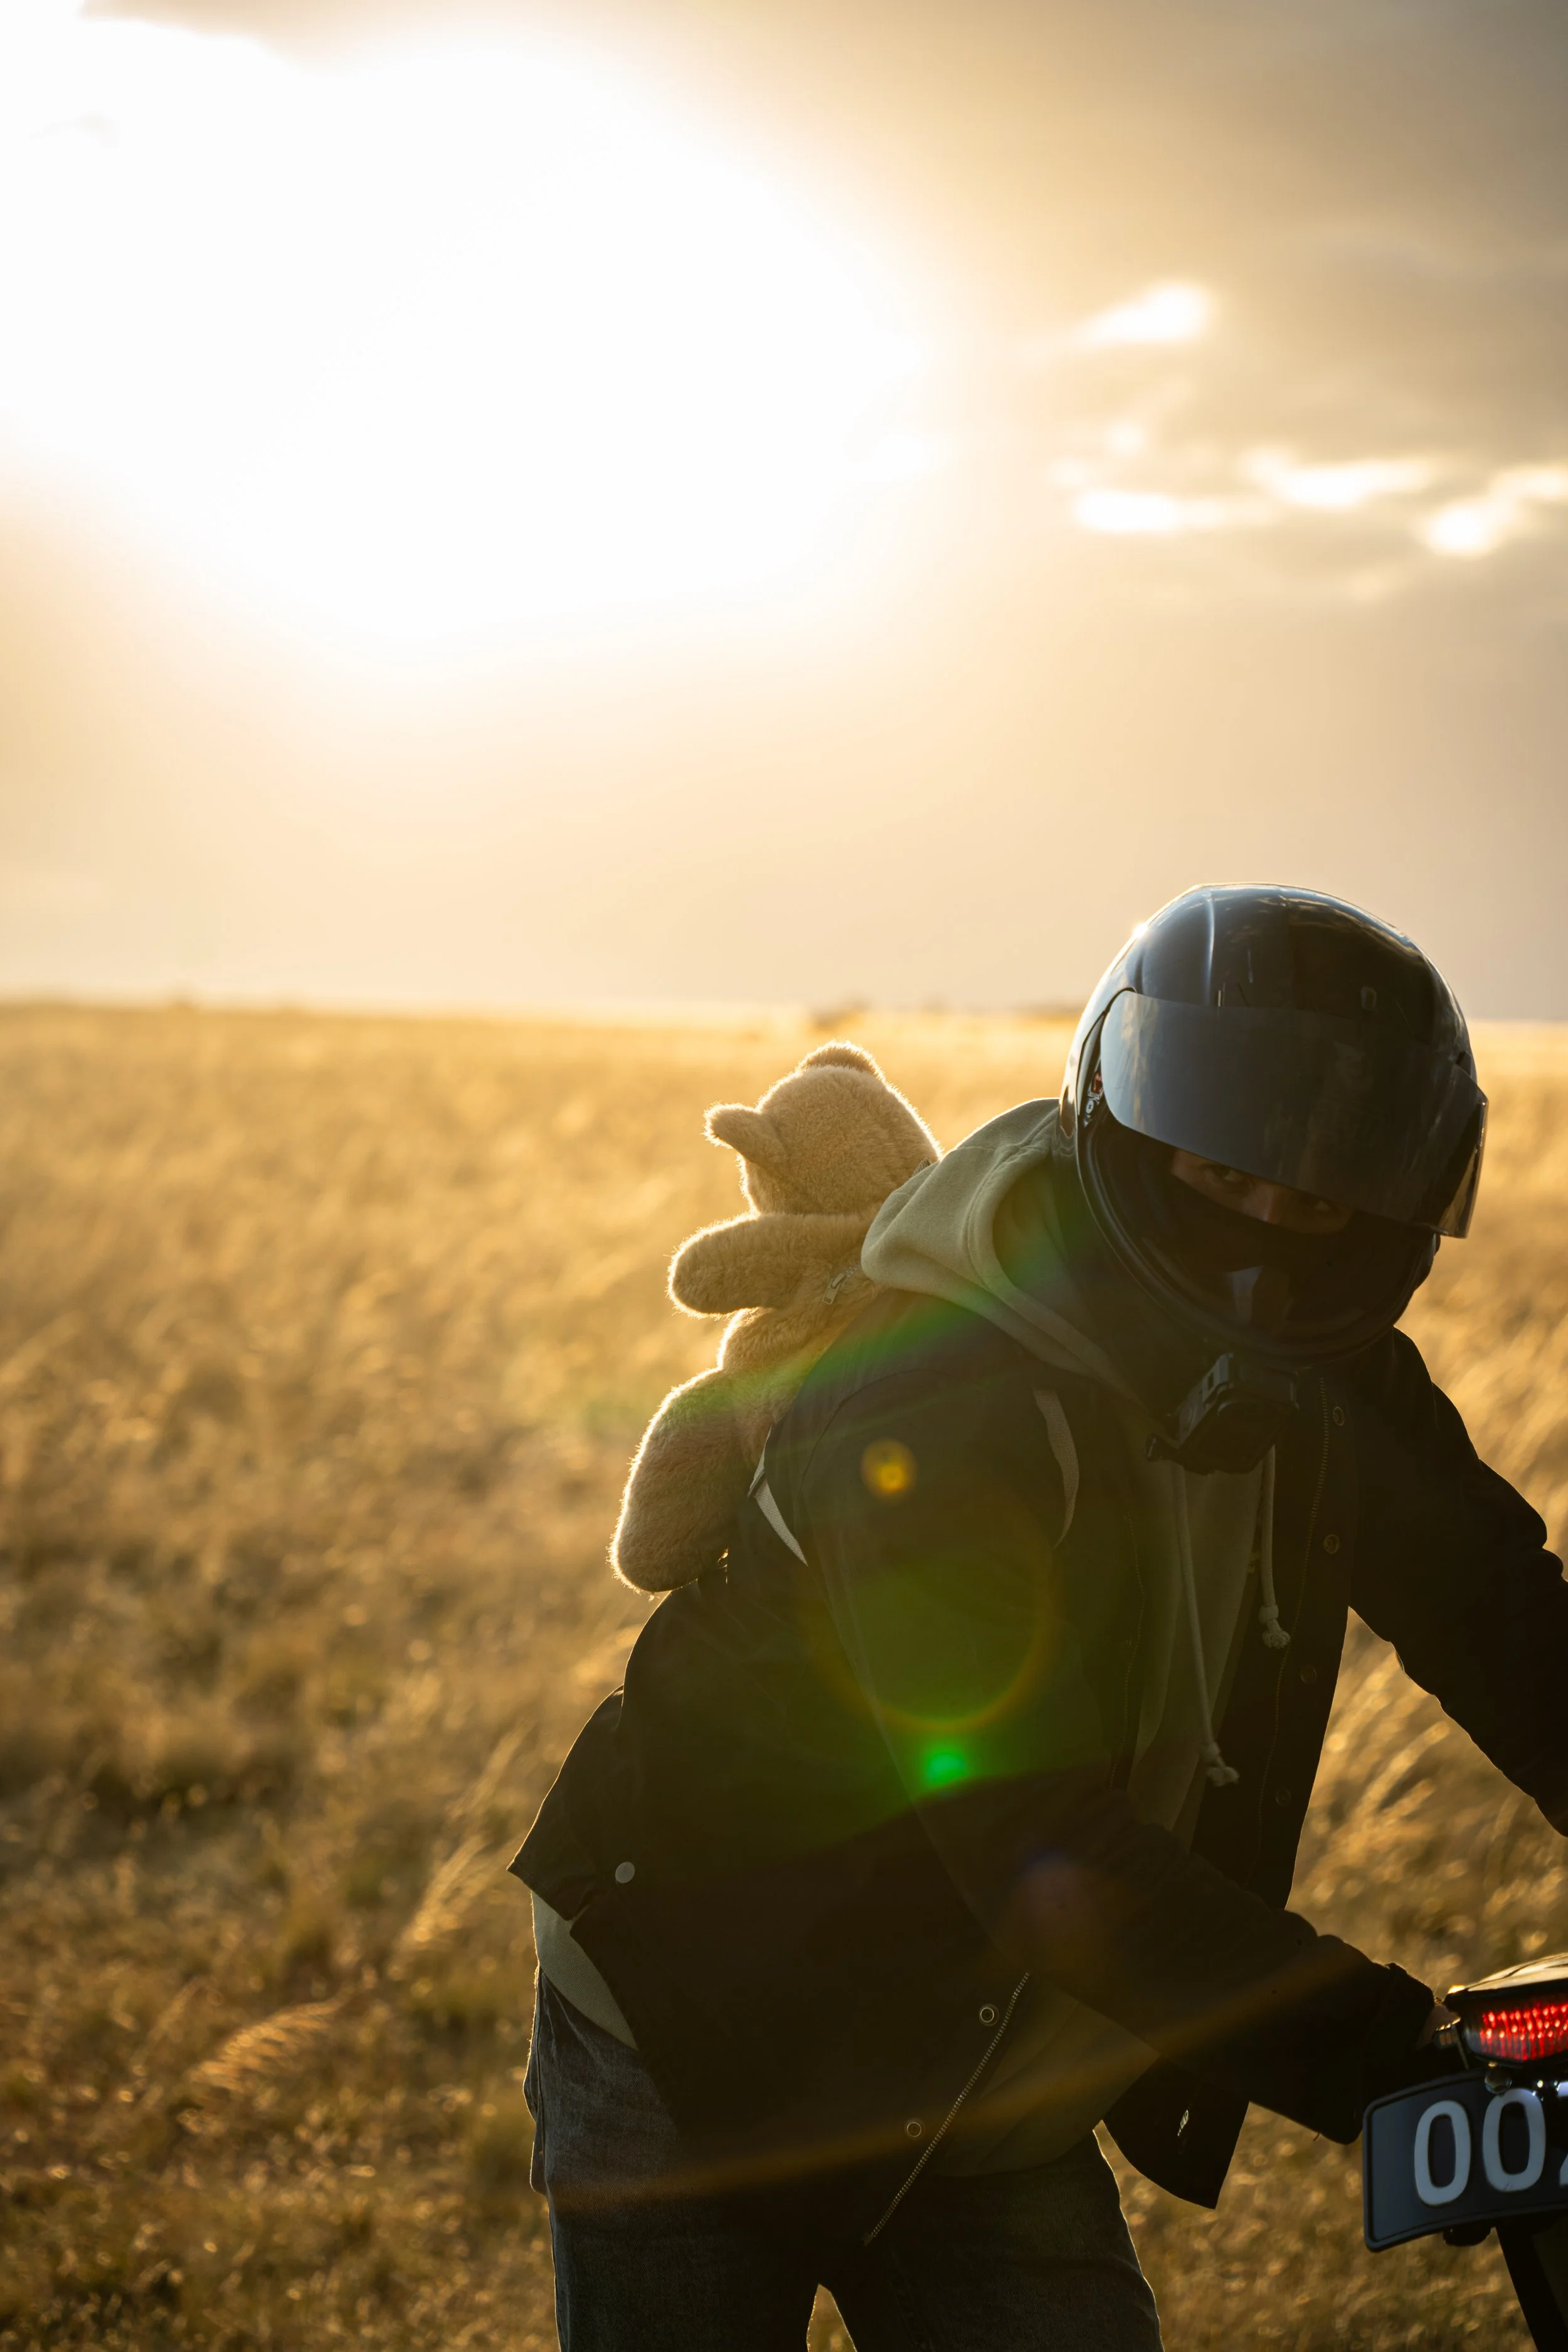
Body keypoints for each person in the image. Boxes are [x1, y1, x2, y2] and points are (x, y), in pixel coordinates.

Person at [512, 884, 1568, 2351]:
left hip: (985, 2064)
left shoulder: (1325, 1370)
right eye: (1218, 1170)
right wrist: (1405, 2062)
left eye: (1316, 1198)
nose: (1263, 1234)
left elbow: (1502, 1618)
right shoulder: (937, 1395)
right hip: (696, 2016)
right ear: (1126, 1132)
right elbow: (1038, 1845)